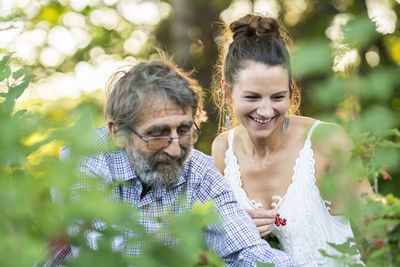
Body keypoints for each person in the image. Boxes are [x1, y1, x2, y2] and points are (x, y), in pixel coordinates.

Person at [54, 57, 298, 266]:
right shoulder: (87, 156)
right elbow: (104, 250)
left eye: (183, 130)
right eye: (158, 134)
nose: (174, 149)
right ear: (118, 133)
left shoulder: (198, 170)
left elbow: (247, 250)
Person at [211, 14, 374, 266]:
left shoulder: (327, 141)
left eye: (277, 97)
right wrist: (235, 231)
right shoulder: (222, 149)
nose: (266, 111)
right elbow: (215, 242)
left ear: (291, 89)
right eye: (252, 97)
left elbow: (378, 229)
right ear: (227, 92)